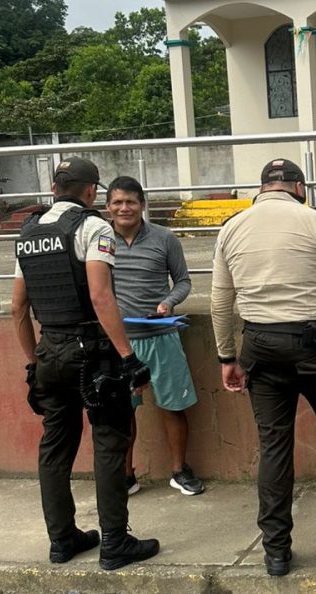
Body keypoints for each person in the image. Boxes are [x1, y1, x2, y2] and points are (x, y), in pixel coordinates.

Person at [211, 157, 316, 577]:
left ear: (261, 188)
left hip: (258, 344)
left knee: (273, 445)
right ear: (299, 188)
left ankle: (276, 552)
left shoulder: (231, 228)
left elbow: (220, 301)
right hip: (314, 346)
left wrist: (226, 357)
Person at [11, 157, 159, 570]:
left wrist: (33, 364)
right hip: (92, 353)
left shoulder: (28, 233)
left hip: (48, 351)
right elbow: (100, 296)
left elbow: (17, 308)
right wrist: (128, 357)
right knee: (110, 441)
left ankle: (62, 540)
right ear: (92, 191)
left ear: (54, 188)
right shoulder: (94, 227)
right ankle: (115, 542)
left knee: (55, 446)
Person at [105, 176, 204, 497]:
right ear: (107, 207)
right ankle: (126, 476)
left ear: (142, 205)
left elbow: (183, 281)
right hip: (119, 342)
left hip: (161, 335)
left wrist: (168, 302)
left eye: (131, 202)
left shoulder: (164, 238)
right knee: (122, 412)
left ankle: (179, 470)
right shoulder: (99, 240)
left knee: (173, 407)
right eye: (118, 202)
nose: (124, 208)